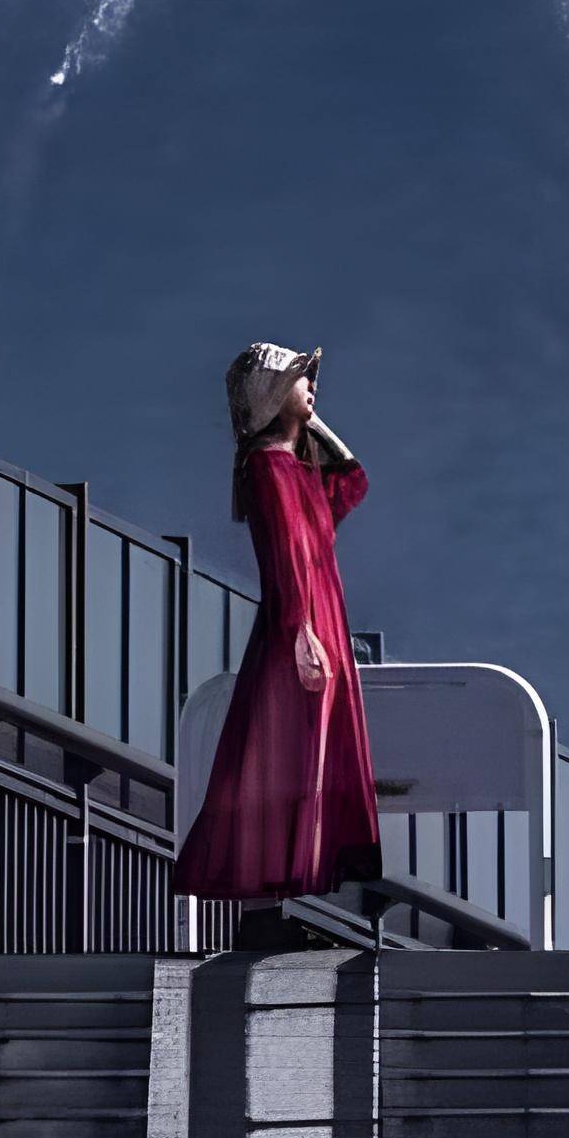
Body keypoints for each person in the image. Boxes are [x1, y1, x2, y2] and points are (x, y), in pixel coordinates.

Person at [169, 340, 381, 913]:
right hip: (304, 622)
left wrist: (304, 417)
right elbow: (285, 553)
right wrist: (299, 629)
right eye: (299, 377)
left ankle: (290, 888)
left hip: (314, 619)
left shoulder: (294, 468)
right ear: (268, 393)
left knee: (307, 752)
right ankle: (273, 892)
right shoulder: (267, 467)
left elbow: (352, 484)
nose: (313, 384)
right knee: (288, 752)